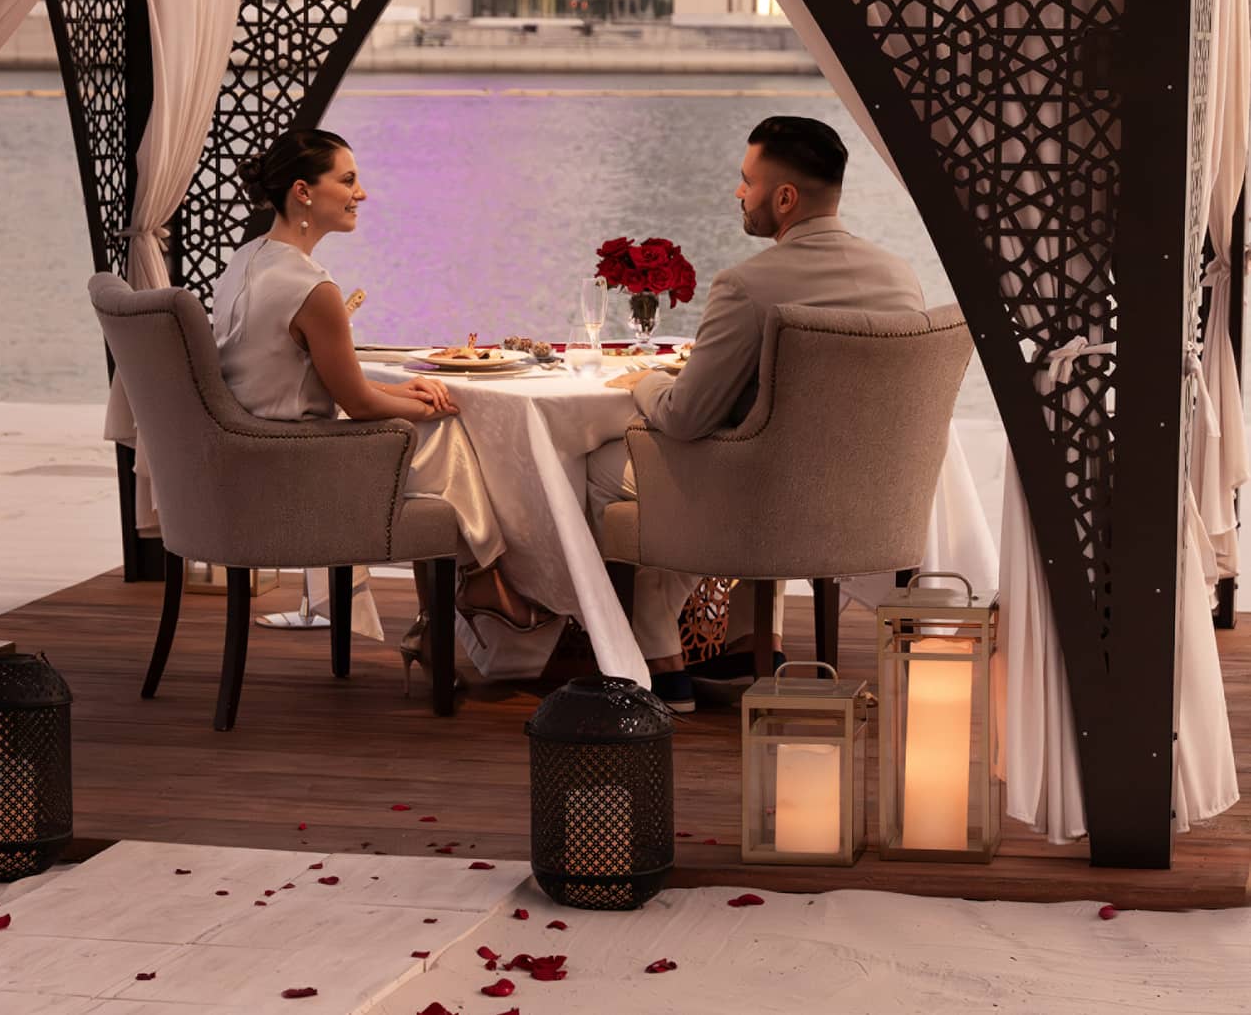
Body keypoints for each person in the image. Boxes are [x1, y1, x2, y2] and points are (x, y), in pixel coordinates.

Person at [588, 115, 924, 712]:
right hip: (873, 502)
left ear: (785, 198)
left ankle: (657, 661)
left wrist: (647, 381)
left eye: (747, 180)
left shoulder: (749, 285)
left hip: (765, 505)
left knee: (603, 466)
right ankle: (749, 642)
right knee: (758, 457)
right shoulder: (900, 280)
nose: (738, 192)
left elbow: (686, 417)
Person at [211, 128, 519, 690]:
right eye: (348, 180)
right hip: (298, 471)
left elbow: (320, 382)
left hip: (251, 459)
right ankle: (487, 580)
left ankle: (454, 603)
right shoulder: (313, 289)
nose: (362, 193)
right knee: (445, 434)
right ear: (303, 191)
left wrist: (411, 395)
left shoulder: (244, 261)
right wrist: (429, 407)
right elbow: (356, 402)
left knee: (430, 426)